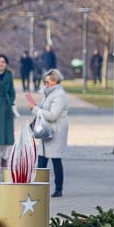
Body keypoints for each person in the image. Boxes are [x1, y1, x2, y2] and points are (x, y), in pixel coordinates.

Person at [30, 69, 70, 198]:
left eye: (48, 82)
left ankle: (58, 189)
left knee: (56, 160)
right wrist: (36, 107)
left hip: (56, 131)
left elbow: (53, 115)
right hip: (46, 131)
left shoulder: (60, 95)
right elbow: (43, 108)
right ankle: (39, 187)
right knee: (41, 160)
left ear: (55, 81)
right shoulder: (48, 93)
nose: (45, 84)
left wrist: (36, 110)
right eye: (45, 82)